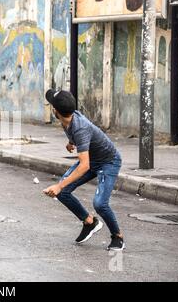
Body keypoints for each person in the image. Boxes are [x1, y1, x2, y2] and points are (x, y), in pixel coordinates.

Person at [43, 89, 125, 251]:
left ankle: (118, 236)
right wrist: (70, 142)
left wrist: (58, 186)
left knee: (100, 204)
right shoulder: (68, 118)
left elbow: (84, 165)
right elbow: (75, 134)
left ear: (55, 111)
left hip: (108, 162)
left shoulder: (80, 128)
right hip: (93, 159)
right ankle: (89, 222)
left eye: (52, 105)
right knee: (64, 192)